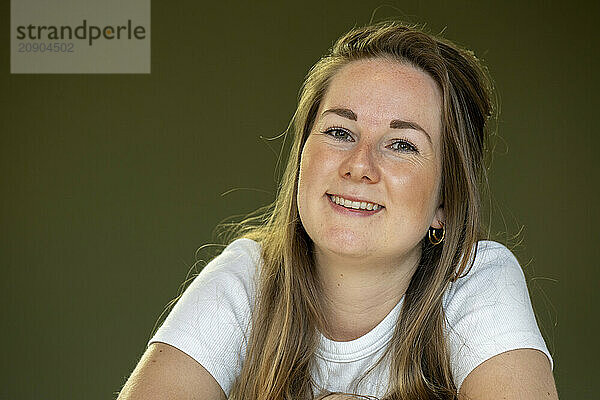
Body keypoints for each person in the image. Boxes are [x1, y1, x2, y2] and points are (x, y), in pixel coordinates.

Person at [117, 21, 558, 400]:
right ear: (302, 161)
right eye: (339, 132)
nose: (359, 166)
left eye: (402, 144)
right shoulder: (248, 279)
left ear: (445, 202)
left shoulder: (476, 279)